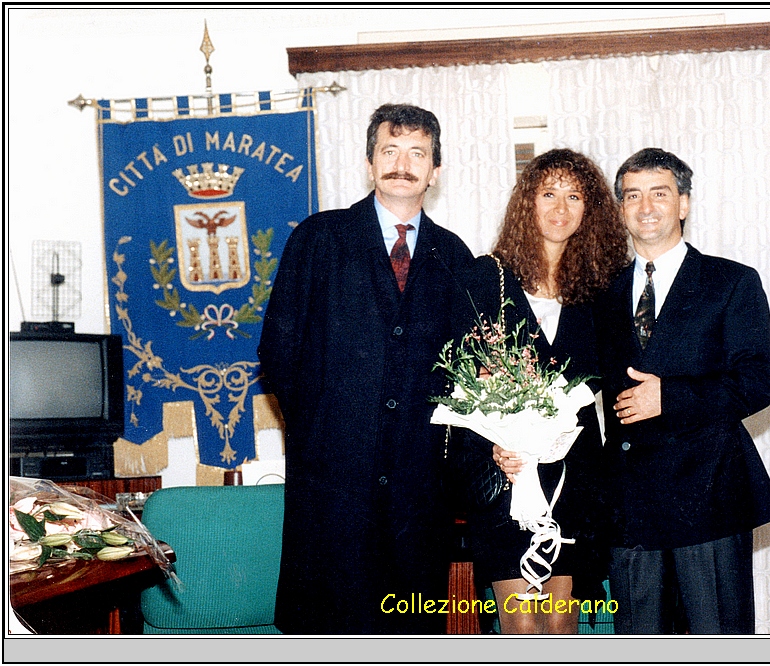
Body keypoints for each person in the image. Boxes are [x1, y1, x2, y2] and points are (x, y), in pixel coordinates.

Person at [257, 103, 473, 634]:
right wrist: (324, 431)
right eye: (390, 150)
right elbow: (278, 351)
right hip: (333, 485)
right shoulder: (318, 239)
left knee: (410, 631)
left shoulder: (455, 256)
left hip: (418, 494)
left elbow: (468, 375)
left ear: (435, 170)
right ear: (369, 163)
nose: (403, 163)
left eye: (417, 153)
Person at [593, 148, 770, 634]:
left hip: (709, 498)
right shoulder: (601, 293)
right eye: (632, 196)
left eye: (660, 193)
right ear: (620, 210)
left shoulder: (732, 281)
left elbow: (759, 380)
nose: (646, 207)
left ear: (683, 204)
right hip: (629, 507)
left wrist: (670, 397)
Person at [457, 148, 630, 633]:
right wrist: (492, 445)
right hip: (506, 477)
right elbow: (456, 387)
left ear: (589, 208)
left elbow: (606, 383)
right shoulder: (484, 278)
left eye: (574, 196)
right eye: (548, 193)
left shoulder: (598, 289)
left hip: (574, 477)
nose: (560, 207)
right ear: (526, 204)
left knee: (560, 626)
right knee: (523, 628)